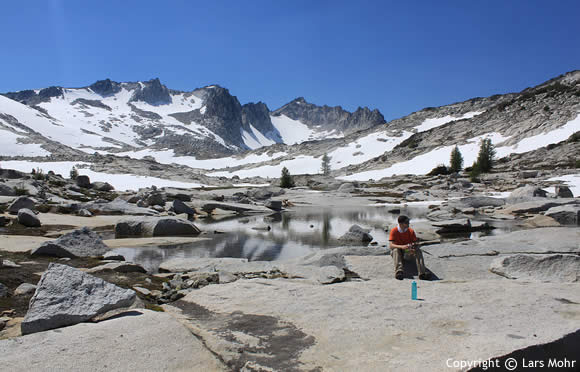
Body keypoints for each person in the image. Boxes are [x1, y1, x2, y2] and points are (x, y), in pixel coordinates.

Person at [388, 215, 430, 280]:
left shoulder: (410, 231)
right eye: (406, 222)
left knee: (418, 251)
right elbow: (391, 245)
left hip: (407, 251)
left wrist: (413, 247)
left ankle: (422, 273)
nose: (408, 224)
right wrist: (402, 247)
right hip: (398, 252)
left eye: (408, 222)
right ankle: (399, 272)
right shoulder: (394, 231)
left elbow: (415, 243)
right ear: (400, 224)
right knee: (396, 250)